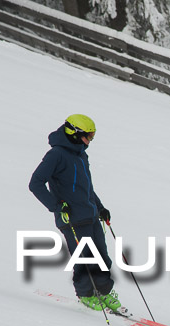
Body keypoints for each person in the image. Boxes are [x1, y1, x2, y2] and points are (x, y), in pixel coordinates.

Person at [29, 114, 122, 312]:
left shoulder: (81, 155)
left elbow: (86, 188)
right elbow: (35, 184)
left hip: (91, 214)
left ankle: (104, 291)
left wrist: (100, 207)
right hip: (71, 218)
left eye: (92, 135)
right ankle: (86, 294)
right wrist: (56, 206)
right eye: (88, 135)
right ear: (74, 133)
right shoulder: (56, 155)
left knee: (102, 257)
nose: (90, 140)